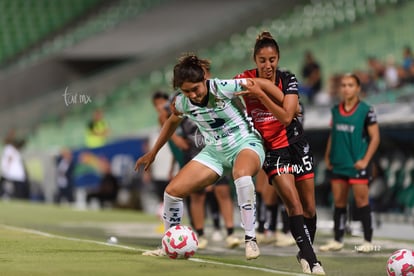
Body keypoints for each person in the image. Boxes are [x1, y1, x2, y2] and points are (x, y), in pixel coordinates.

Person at [135, 54, 286, 260]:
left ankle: (250, 239)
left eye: (195, 89)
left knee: (241, 174)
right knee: (172, 191)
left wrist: (285, 102)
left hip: (245, 144)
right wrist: (153, 153)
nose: (193, 95)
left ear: (204, 81)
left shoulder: (221, 87)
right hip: (214, 152)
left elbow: (258, 83)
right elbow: (171, 122)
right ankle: (167, 245)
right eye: (186, 91)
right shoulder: (182, 102)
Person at [234, 31, 325, 275]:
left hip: (296, 142)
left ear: (278, 58)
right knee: (293, 204)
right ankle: (313, 261)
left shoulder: (288, 79)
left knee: (309, 208)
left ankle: (304, 252)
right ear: (255, 60)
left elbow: (286, 116)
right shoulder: (243, 79)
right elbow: (224, 94)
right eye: (262, 60)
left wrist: (261, 94)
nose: (267, 65)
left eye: (272, 59)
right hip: (273, 150)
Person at [319, 73, 380, 253]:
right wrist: (328, 156)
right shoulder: (335, 110)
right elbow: (333, 134)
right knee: (339, 202)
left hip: (357, 164)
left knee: (362, 201)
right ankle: (337, 239)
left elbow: (375, 137)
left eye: (351, 85)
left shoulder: (367, 110)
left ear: (358, 88)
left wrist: (366, 160)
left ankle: (368, 240)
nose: (346, 88)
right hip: (339, 163)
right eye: (344, 85)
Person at [1, 131, 29, 199]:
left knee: (17, 190)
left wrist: (6, 168)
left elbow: (9, 159)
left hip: (13, 173)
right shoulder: (12, 149)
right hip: (16, 174)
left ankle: (6, 196)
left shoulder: (9, 148)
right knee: (17, 190)